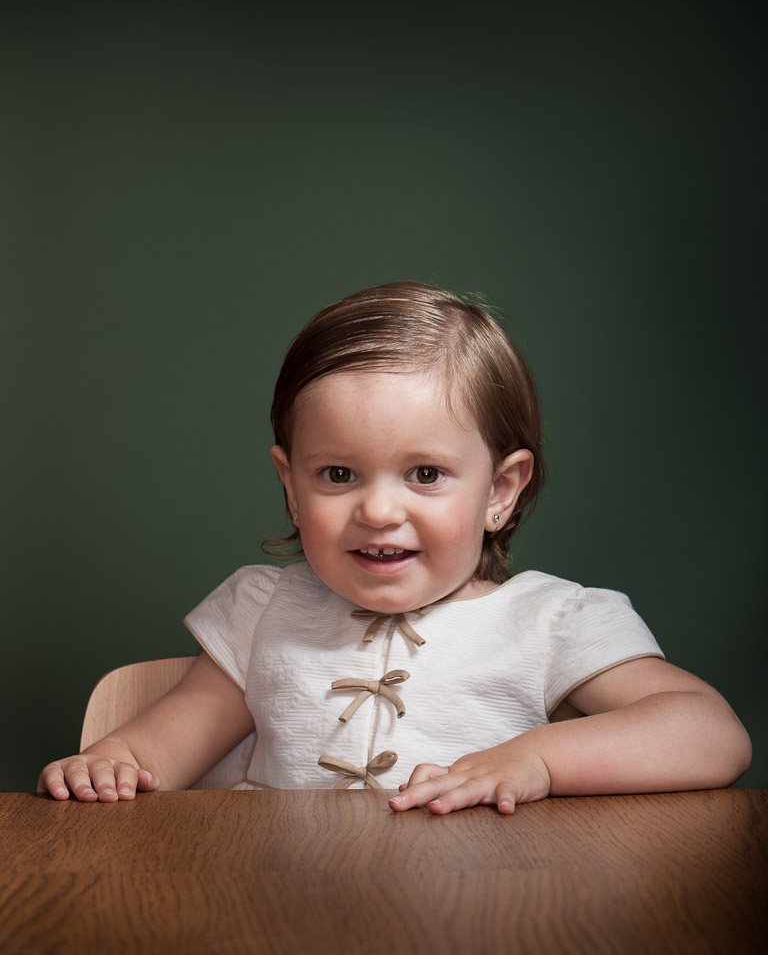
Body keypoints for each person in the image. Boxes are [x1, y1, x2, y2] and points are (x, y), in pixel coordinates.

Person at [38, 281, 751, 814]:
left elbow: (710, 733)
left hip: (484, 916)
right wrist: (108, 764)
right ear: (291, 484)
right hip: (273, 915)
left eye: (426, 474)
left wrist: (538, 760)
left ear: (500, 490)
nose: (379, 509)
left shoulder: (551, 620)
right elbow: (153, 754)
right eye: (338, 474)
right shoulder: (262, 613)